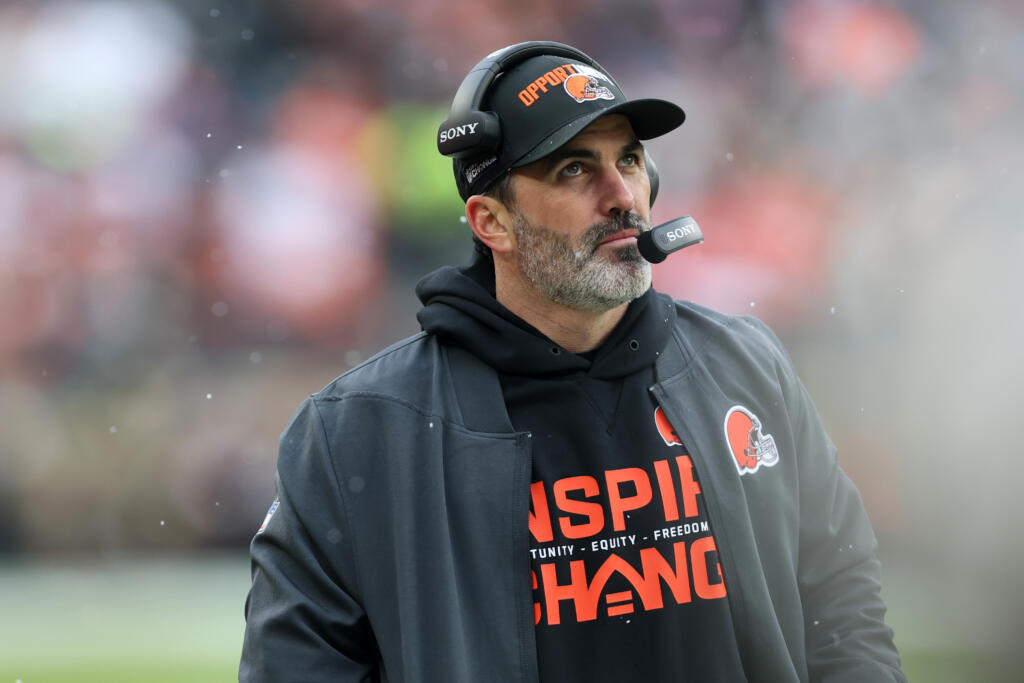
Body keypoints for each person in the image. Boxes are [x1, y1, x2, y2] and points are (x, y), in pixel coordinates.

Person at [240, 41, 905, 683]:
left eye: (631, 159)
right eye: (574, 170)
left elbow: (841, 605)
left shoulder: (746, 366)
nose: (623, 196)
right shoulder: (358, 431)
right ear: (491, 222)